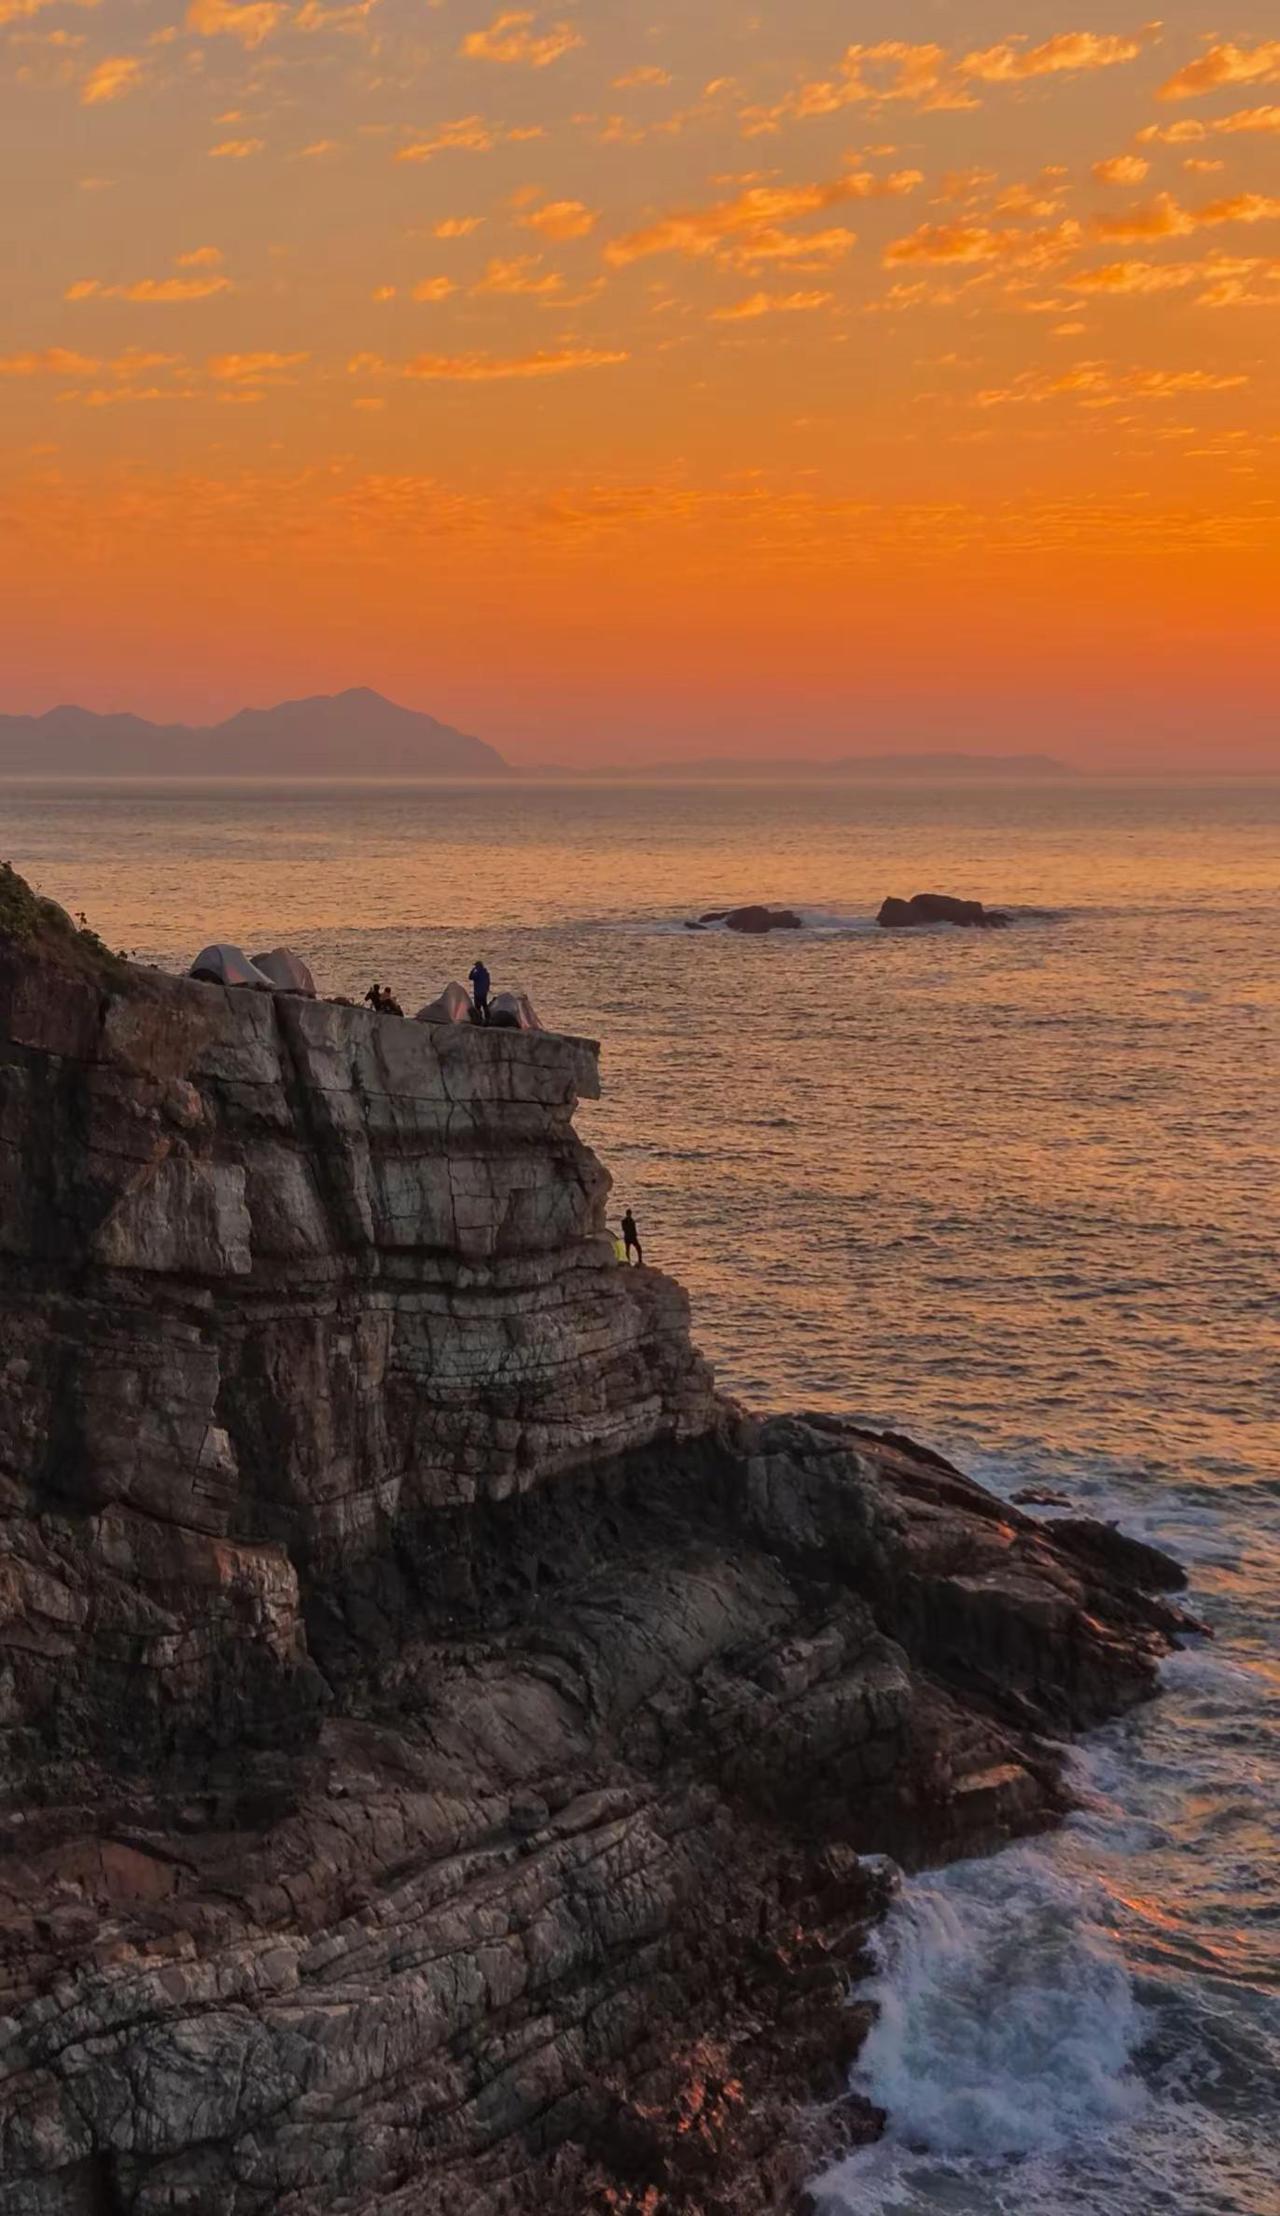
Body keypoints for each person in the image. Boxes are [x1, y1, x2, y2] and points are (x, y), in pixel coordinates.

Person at [469, 959, 492, 1024]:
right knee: (484, 1005)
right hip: (483, 992)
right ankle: (487, 1018)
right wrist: (487, 989)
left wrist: (473, 970)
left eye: (476, 966)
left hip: (478, 992)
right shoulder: (486, 973)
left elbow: (470, 977)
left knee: (477, 1006)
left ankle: (479, 1018)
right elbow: (488, 982)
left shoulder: (477, 973)